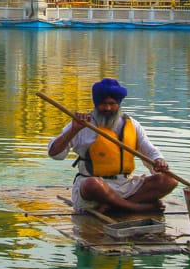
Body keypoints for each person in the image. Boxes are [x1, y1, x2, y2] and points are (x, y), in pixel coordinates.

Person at [48, 78, 177, 214]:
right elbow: (55, 153)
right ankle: (134, 207)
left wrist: (159, 161)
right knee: (92, 185)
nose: (108, 108)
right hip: (97, 187)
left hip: (126, 185)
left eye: (112, 103)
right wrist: (73, 130)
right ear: (96, 104)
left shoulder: (132, 125)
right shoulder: (82, 124)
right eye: (103, 104)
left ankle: (116, 206)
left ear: (119, 104)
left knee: (169, 181)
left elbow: (150, 152)